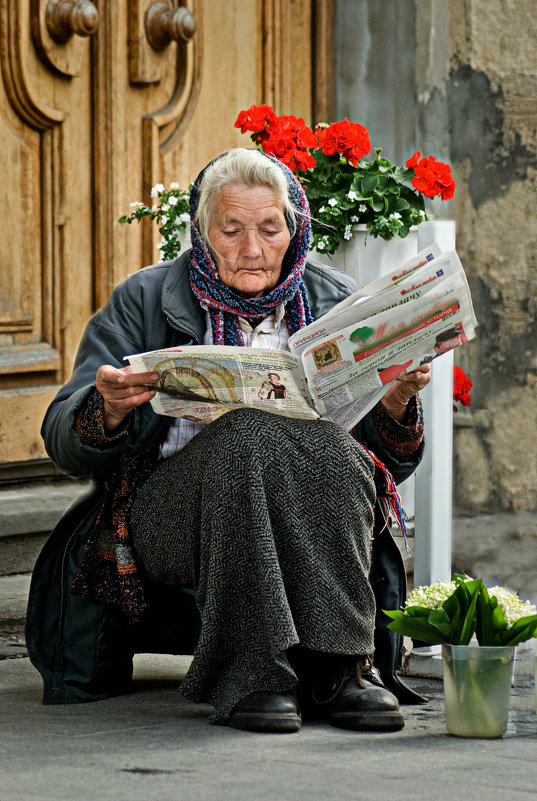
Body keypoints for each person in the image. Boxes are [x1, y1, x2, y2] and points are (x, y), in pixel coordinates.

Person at [26, 148, 431, 734]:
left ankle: (340, 668)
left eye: (270, 229)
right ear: (202, 232)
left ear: (294, 231)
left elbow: (387, 463)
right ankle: (252, 674)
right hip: (170, 516)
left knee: (342, 453)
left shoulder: (334, 300)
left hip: (306, 505)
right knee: (245, 431)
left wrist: (396, 400)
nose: (252, 248)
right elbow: (64, 438)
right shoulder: (147, 298)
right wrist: (107, 408)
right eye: (232, 229)